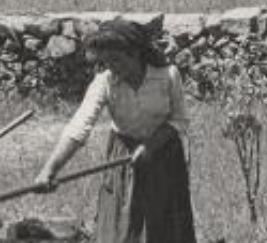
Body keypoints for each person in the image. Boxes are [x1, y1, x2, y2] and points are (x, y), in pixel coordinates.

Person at [33, 19, 196, 243]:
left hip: (164, 157)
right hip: (124, 158)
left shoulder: (167, 75)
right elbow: (79, 127)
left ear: (136, 53)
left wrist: (151, 145)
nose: (113, 67)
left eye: (117, 60)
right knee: (123, 224)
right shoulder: (105, 82)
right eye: (107, 61)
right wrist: (50, 169)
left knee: (164, 226)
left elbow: (179, 120)